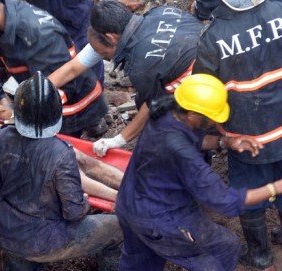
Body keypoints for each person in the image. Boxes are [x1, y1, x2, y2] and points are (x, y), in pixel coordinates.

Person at [114, 73, 282, 271]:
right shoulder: (183, 154)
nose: (213, 123)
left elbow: (189, 138)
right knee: (224, 249)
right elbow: (225, 201)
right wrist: (275, 187)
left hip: (128, 205)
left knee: (139, 261)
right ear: (193, 115)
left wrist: (224, 142)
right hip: (161, 219)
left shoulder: (166, 113)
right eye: (211, 118)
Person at [0, 72, 123, 271]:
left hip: (9, 232)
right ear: (57, 113)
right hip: (46, 240)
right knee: (118, 229)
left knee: (22, 263)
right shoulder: (61, 152)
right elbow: (73, 212)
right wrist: (84, 203)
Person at [192, 0, 282, 271]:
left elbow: (205, 89)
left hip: (247, 137)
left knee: (248, 193)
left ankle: (259, 254)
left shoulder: (213, 37)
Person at [49, 0, 205, 157]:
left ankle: (193, 157)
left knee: (168, 127)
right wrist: (37, 87)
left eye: (103, 54)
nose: (102, 57)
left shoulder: (142, 65)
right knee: (141, 100)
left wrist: (117, 140)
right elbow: (73, 68)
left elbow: (153, 105)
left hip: (206, 89)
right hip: (211, 55)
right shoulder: (157, 13)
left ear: (110, 37)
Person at [0, 0, 109, 138]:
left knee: (59, 153)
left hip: (71, 104)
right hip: (45, 90)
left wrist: (24, 115)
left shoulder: (36, 37)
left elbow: (61, 85)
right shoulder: (2, 17)